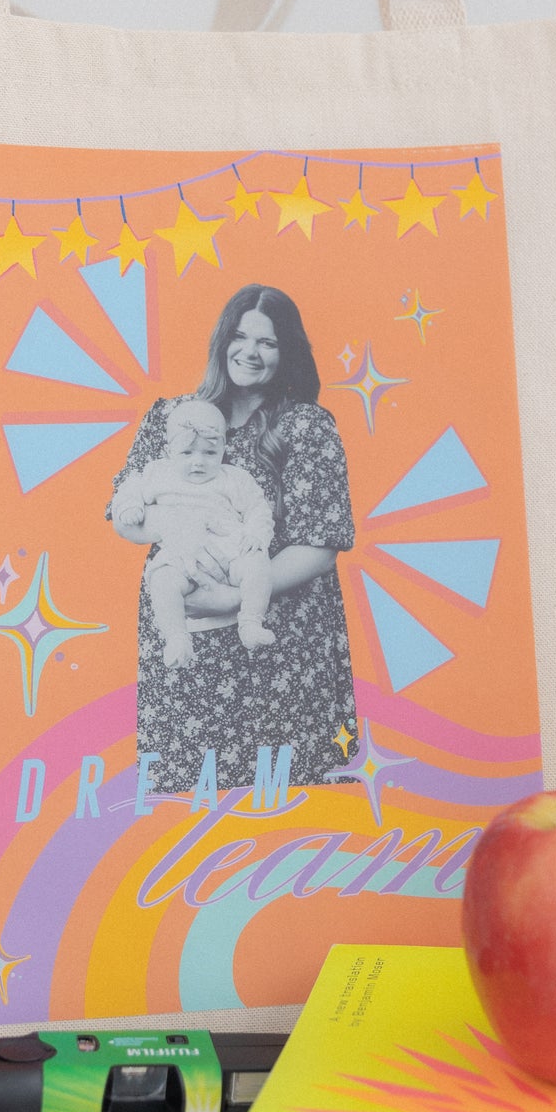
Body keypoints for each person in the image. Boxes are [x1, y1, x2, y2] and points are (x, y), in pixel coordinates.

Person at [108, 284, 359, 792]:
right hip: (190, 638)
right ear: (223, 342)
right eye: (240, 337)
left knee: (288, 801)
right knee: (188, 804)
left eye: (267, 342)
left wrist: (237, 595)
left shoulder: (306, 427)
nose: (250, 351)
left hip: (281, 642)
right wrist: (185, 535)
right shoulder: (171, 418)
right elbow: (126, 511)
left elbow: (321, 542)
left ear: (286, 352)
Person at [111, 396, 276, 668]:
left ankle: (250, 623)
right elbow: (129, 488)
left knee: (258, 564)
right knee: (162, 581)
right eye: (187, 453)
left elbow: (258, 508)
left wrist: (257, 535)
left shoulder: (233, 478)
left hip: (230, 551)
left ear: (224, 448)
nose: (198, 462)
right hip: (179, 556)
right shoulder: (158, 474)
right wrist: (129, 506)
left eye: (209, 453)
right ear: (168, 451)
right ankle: (177, 638)